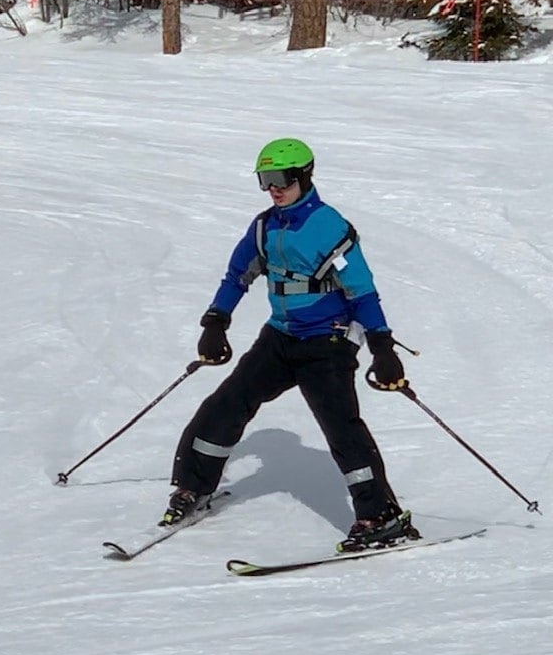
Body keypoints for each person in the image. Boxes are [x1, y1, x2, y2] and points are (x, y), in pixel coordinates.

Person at [161, 138, 420, 553]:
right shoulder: (265, 227)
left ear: (303, 176)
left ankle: (381, 517)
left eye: (280, 179)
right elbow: (236, 276)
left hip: (328, 341)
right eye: (265, 180)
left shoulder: (329, 227)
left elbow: (363, 294)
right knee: (226, 404)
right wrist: (216, 320)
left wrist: (382, 347)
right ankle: (193, 488)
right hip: (281, 337)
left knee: (341, 428)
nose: (272, 189)